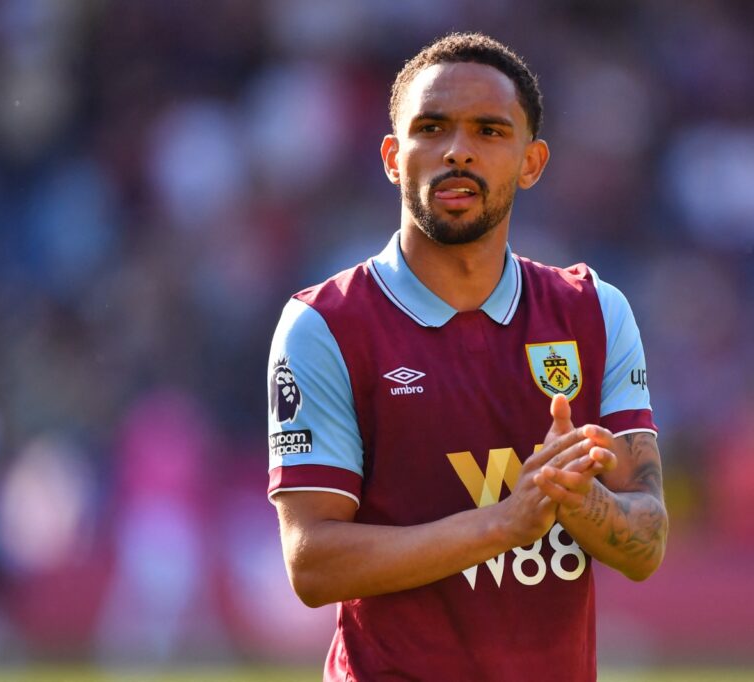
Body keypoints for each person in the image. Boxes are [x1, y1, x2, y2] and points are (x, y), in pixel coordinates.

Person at [267, 32, 668, 681]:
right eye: (432, 128)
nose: (458, 150)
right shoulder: (325, 325)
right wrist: (503, 524)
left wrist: (576, 500)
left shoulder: (596, 311)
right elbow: (312, 564)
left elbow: (646, 540)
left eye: (489, 130)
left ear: (531, 162)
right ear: (394, 157)